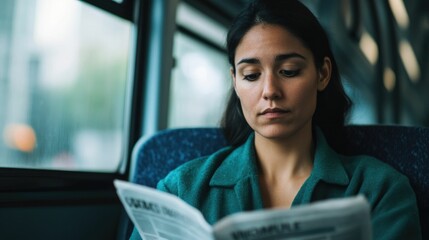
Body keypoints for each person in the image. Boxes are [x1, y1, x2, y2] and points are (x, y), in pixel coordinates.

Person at [130, 0, 421, 239]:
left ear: (322, 74)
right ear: (235, 81)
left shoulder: (379, 191)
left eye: (289, 71)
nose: (270, 91)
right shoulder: (181, 190)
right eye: (251, 75)